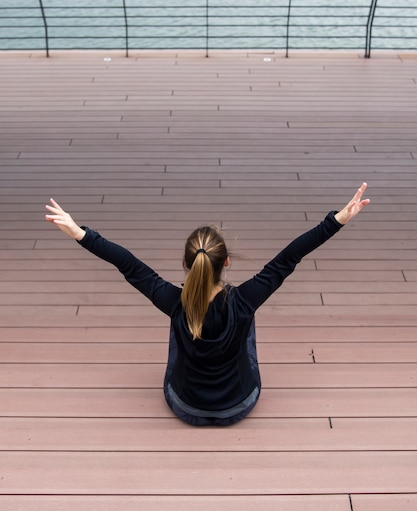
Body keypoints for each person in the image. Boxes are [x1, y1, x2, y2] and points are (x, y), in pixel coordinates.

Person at [45, 183, 370, 426]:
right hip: (240, 404)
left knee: (181, 323)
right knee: (246, 320)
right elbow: (289, 258)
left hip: (185, 405)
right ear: (226, 262)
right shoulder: (244, 300)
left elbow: (129, 265)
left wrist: (79, 233)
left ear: (187, 265)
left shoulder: (173, 301)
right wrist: (337, 220)